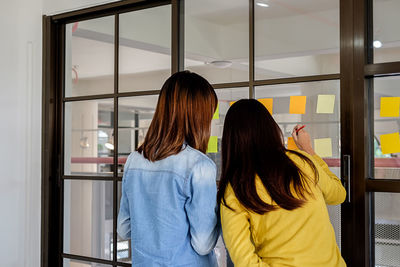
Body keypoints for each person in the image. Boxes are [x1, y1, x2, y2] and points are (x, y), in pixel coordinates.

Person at [218, 99, 346, 267]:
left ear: (231, 141)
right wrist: (308, 150)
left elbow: (244, 261)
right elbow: (338, 194)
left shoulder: (235, 188)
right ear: (270, 129)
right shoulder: (303, 162)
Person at [117, 71, 220, 266]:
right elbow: (204, 243)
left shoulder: (134, 160)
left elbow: (124, 228)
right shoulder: (199, 166)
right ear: (198, 116)